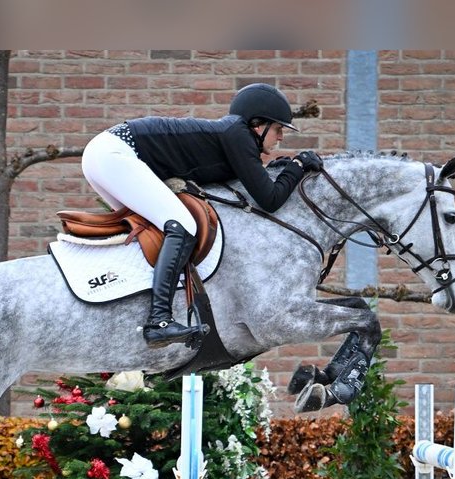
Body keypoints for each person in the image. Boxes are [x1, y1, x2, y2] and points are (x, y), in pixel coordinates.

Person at [82, 83, 324, 347]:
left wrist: (286, 168)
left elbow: (254, 184)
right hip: (115, 155)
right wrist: (299, 165)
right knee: (182, 225)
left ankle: (127, 311)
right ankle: (159, 321)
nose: (280, 137)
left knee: (152, 233)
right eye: (278, 129)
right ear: (258, 125)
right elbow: (270, 200)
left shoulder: (233, 136)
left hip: (105, 154)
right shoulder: (238, 135)